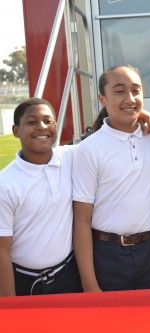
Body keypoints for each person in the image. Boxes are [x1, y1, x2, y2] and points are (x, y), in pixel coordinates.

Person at [72, 65, 150, 292]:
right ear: (102, 99)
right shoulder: (88, 149)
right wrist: (89, 284)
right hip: (108, 255)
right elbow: (82, 221)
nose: (130, 98)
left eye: (136, 91)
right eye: (119, 91)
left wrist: (142, 114)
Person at [0, 97, 82, 296]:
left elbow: (106, 137)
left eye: (48, 121)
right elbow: (2, 251)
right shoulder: (6, 183)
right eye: (31, 122)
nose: (41, 127)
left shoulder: (72, 157)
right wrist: (10, 304)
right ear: (16, 130)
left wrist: (140, 115)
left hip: (68, 274)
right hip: (24, 281)